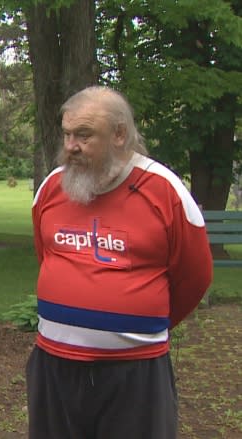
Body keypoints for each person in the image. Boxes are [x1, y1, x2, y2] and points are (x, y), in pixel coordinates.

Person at [28, 85, 213, 438]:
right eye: (67, 134)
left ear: (119, 135)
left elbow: (195, 278)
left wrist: (134, 328)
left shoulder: (164, 190)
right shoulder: (52, 187)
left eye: (84, 135)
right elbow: (46, 255)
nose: (70, 146)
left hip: (135, 372)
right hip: (53, 365)